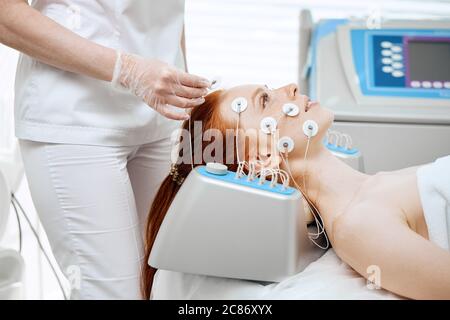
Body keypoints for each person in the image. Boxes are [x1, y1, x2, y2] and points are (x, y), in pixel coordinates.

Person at [142, 84, 450, 300]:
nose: (289, 88)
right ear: (262, 157)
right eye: (265, 100)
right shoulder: (357, 227)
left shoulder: (373, 192)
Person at [0, 0, 211, 299]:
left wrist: (184, 91)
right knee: (113, 292)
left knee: (167, 285)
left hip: (158, 113)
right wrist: (125, 68)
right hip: (74, 115)